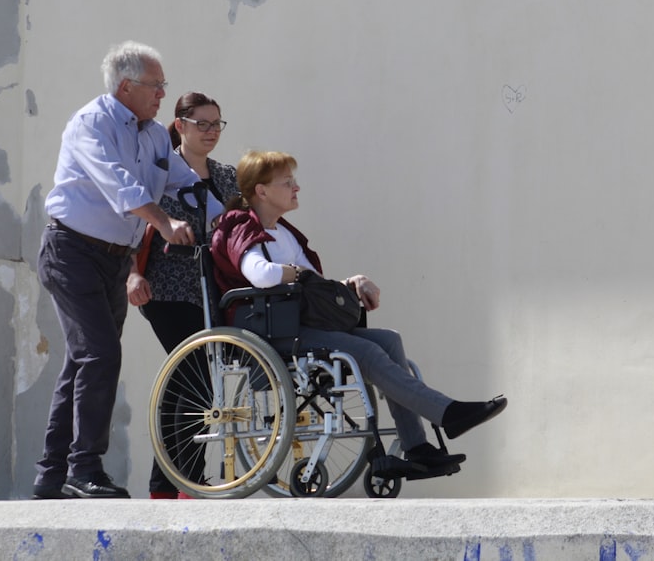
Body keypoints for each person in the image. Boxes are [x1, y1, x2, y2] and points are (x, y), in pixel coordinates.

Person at [210, 150, 507, 476]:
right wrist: (296, 273)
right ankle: (447, 413)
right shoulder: (241, 227)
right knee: (365, 350)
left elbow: (314, 285)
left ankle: (417, 448)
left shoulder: (284, 233)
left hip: (301, 324)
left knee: (389, 341)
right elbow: (261, 275)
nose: (297, 188)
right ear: (262, 191)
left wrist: (350, 283)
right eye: (287, 182)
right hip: (273, 333)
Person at [33, 41, 201, 499]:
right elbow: (118, 184)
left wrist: (241, 204)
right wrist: (164, 224)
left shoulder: (154, 134)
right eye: (156, 86)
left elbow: (182, 180)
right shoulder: (93, 123)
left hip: (113, 259)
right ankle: (83, 469)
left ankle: (51, 475)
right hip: (72, 252)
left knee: (83, 361)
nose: (163, 94)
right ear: (126, 86)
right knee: (100, 356)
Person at [126, 92, 238, 499]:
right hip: (167, 288)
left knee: (192, 383)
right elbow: (132, 228)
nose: (211, 132)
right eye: (202, 124)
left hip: (213, 291)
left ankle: (173, 484)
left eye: (217, 124)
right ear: (181, 125)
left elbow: (242, 232)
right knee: (196, 379)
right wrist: (132, 275)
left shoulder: (227, 177)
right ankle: (180, 484)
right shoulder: (159, 173)